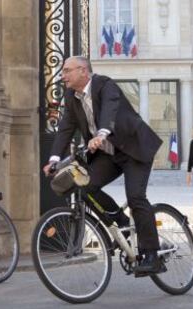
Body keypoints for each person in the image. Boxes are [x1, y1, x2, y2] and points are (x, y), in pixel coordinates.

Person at [43, 56, 165, 275]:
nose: (63, 76)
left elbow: (110, 109)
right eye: (63, 72)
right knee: (86, 185)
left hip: (133, 149)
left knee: (136, 197)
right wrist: (53, 159)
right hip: (109, 154)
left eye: (67, 70)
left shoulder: (104, 84)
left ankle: (153, 255)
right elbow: (65, 128)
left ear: (83, 71)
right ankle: (122, 224)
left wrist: (101, 133)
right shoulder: (71, 96)